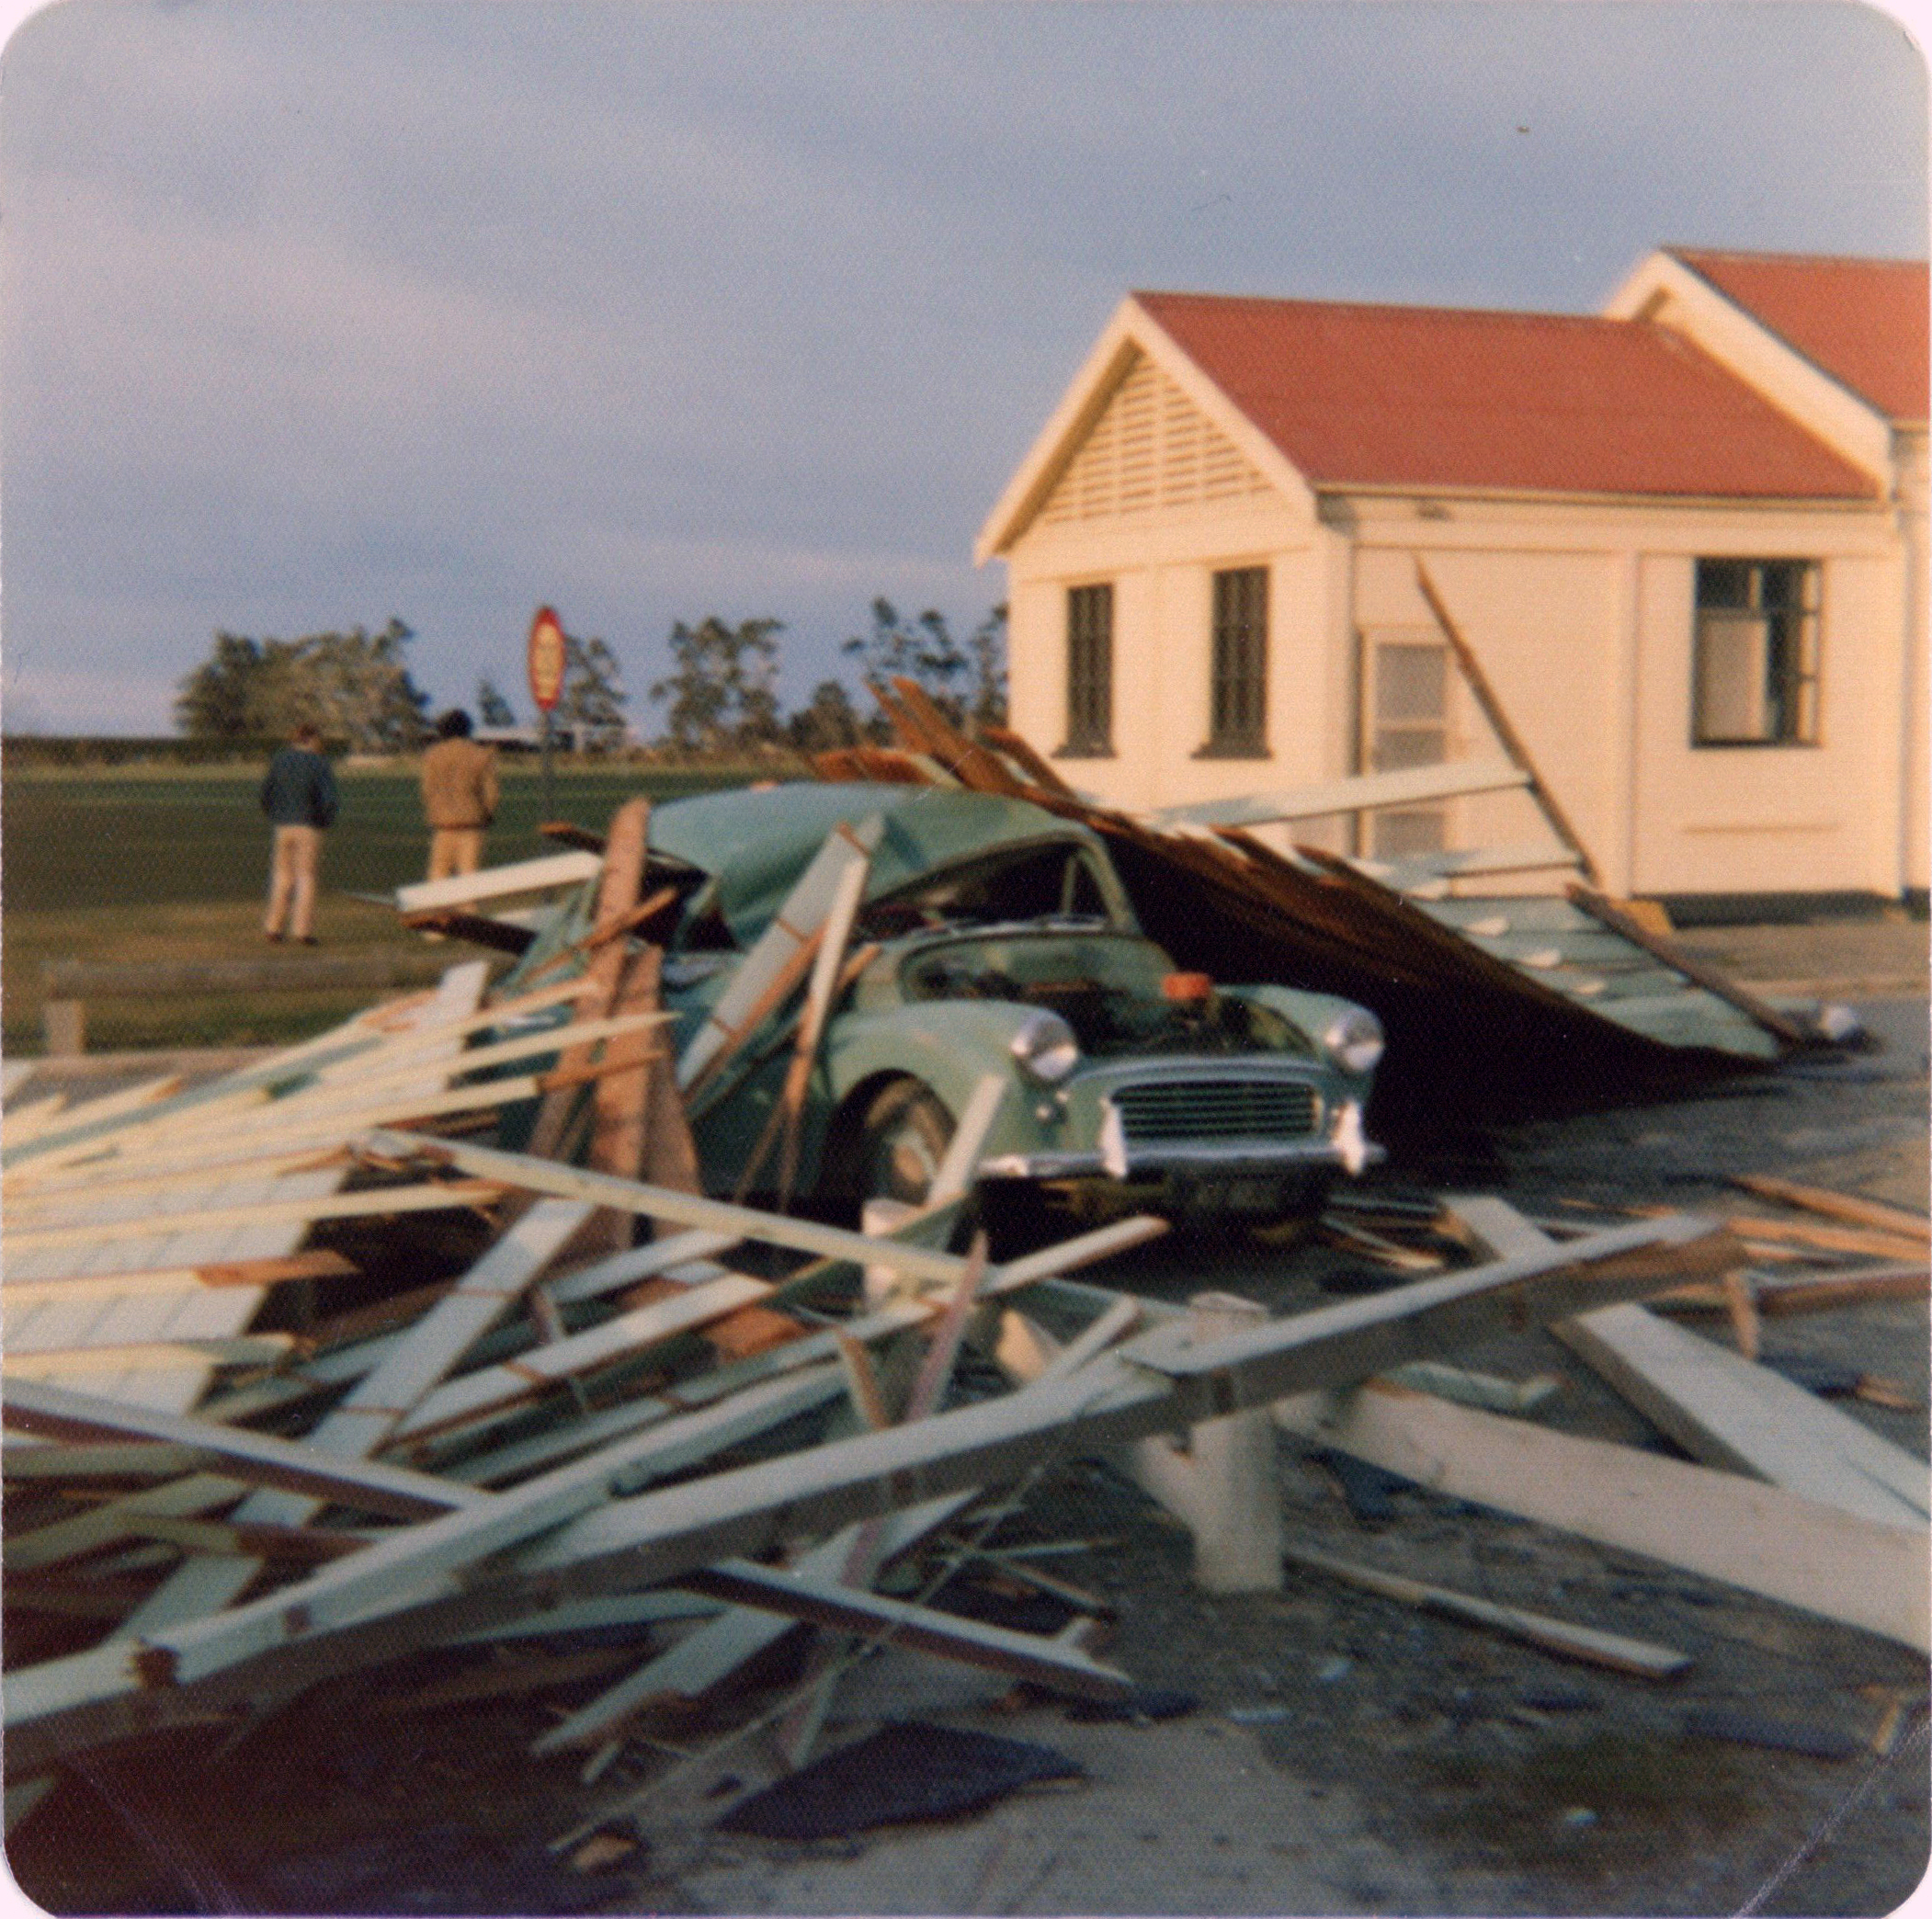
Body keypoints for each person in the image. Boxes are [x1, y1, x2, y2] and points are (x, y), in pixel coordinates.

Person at [259, 721, 338, 944]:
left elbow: (266, 793)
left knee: (282, 876)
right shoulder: (318, 763)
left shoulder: (279, 760)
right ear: (312, 739)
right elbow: (329, 799)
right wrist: (324, 821)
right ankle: (302, 931)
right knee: (306, 878)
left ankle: (273, 927)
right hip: (308, 825)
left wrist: (275, 814)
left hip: (283, 825)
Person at [419, 708, 500, 881]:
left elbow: (427, 790)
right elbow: (491, 794)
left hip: (443, 825)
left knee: (438, 878)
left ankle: (437, 909)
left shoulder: (433, 755)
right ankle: (467, 909)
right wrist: (487, 815)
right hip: (472, 825)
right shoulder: (481, 754)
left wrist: (434, 812)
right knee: (469, 879)